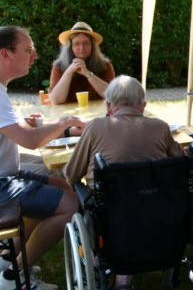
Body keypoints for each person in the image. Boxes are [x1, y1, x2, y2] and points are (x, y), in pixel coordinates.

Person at [61, 75, 183, 289]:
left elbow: (71, 174)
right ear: (143, 106)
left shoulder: (95, 127)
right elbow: (179, 162)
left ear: (108, 105)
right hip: (157, 204)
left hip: (112, 210)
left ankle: (123, 276)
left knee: (96, 198)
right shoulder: (161, 127)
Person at [0, 26, 83, 290]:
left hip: (7, 176)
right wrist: (65, 122)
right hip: (2, 183)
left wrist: (21, 123)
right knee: (69, 205)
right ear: (5, 54)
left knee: (62, 184)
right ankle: (16, 276)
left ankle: (8, 257)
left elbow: (15, 131)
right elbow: (32, 142)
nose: (34, 56)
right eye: (27, 50)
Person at [49, 21, 116, 105]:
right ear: (70, 47)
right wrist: (69, 72)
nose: (81, 48)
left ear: (92, 46)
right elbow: (55, 100)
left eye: (86, 43)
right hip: (68, 116)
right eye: (77, 44)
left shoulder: (105, 66)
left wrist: (88, 74)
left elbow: (113, 96)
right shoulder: (59, 67)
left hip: (99, 114)